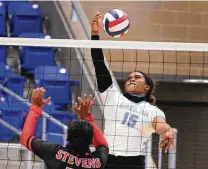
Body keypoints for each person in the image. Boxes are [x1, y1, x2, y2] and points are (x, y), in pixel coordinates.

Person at [90, 11, 175, 169]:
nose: (131, 79)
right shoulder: (112, 96)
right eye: (129, 78)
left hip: (134, 163)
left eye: (137, 77)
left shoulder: (151, 110)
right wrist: (94, 34)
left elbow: (160, 124)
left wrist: (168, 131)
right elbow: (99, 64)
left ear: (147, 86)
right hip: (107, 159)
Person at [21, 87, 109, 169]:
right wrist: (87, 117)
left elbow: (26, 139)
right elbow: (103, 145)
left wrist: (35, 107)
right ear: (91, 139)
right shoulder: (98, 161)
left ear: (68, 136)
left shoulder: (54, 152)